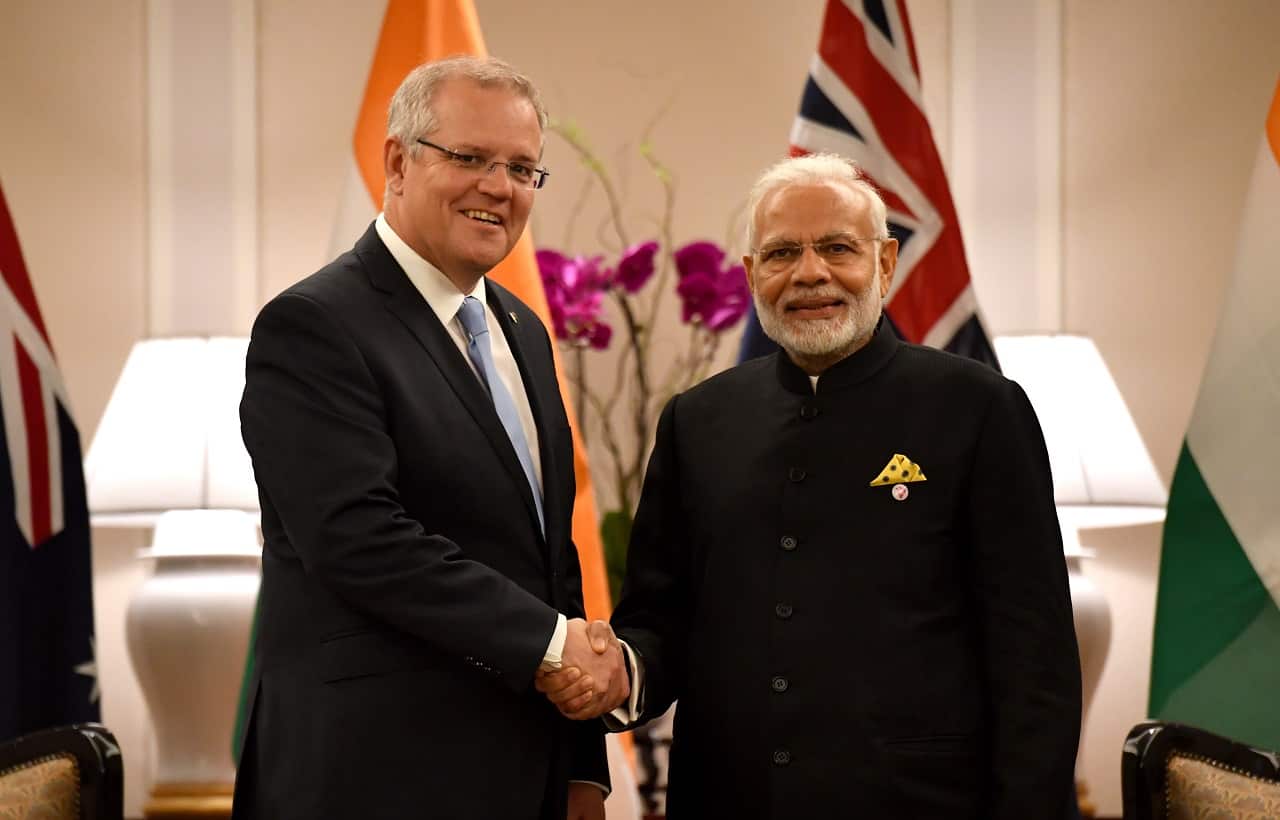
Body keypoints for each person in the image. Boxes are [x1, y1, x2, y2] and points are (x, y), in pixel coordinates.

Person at [539, 153, 1082, 818]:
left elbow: (1036, 663)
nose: (809, 273)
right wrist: (617, 672)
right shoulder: (697, 420)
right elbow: (660, 620)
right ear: (751, 275)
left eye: (837, 248)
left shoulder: (978, 409)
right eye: (781, 253)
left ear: (884, 264)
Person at [232, 56, 629, 820]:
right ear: (397, 162)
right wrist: (553, 644)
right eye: (470, 158)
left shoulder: (523, 332)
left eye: (521, 168)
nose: (498, 187)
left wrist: (584, 764)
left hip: (524, 773)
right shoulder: (314, 326)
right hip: (370, 776)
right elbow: (358, 537)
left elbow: (551, 560)